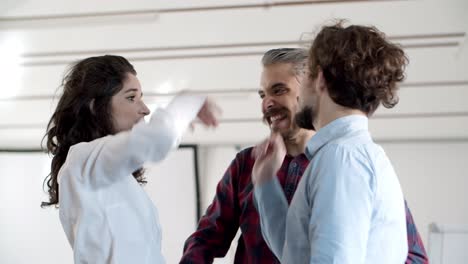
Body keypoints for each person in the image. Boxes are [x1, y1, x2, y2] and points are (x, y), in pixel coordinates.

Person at [181, 48, 428, 263]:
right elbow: (205, 239)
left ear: (311, 89)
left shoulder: (341, 163)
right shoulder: (247, 164)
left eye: (279, 90)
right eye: (262, 94)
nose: (267, 103)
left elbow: (413, 255)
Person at [253, 22, 410, 263]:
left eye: (305, 77)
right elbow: (295, 253)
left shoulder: (341, 159)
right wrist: (265, 183)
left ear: (321, 80)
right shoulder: (347, 154)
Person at [41, 55, 219, 263]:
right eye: (131, 97)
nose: (145, 109)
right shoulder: (80, 160)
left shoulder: (118, 179)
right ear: (94, 106)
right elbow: (158, 137)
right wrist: (189, 101)